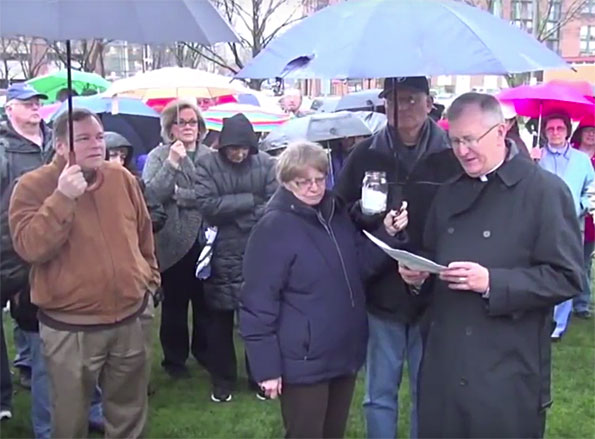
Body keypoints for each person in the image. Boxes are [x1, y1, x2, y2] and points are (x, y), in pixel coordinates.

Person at [399, 92, 583, 438]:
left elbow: (568, 277)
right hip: (445, 368)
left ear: (500, 132)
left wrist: (493, 283)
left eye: (470, 140)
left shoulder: (544, 192)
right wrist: (417, 277)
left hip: (505, 372)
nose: (462, 151)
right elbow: (432, 259)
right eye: (454, 141)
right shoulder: (448, 193)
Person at [240, 141, 409, 439]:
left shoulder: (335, 214)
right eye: (303, 182)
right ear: (285, 182)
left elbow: (360, 267)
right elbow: (257, 302)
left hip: (342, 351)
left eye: (319, 179)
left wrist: (388, 234)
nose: (314, 188)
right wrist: (266, 368)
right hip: (303, 359)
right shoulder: (273, 227)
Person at [9, 108, 160, 438]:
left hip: (131, 318)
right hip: (70, 327)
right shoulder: (33, 186)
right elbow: (30, 247)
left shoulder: (121, 178)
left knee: (129, 412)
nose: (97, 145)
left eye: (100, 136)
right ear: (61, 146)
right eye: (84, 139)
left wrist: (149, 279)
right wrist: (63, 197)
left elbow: (143, 232)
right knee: (69, 418)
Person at [334, 76, 460, 439]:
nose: (401, 108)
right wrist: (370, 213)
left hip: (434, 289)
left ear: (429, 102)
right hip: (382, 289)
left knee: (428, 390)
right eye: (392, 100)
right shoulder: (366, 153)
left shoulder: (449, 153)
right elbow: (342, 212)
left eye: (409, 99)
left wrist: (426, 264)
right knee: (379, 393)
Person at [194, 113, 277, 402]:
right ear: (223, 146)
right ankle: (223, 380)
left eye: (243, 148)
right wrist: (249, 202)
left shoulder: (267, 165)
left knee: (258, 319)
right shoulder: (206, 165)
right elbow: (206, 205)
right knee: (219, 320)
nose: (239, 154)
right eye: (233, 148)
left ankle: (261, 376)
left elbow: (273, 204)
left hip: (258, 250)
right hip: (221, 253)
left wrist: (239, 215)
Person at [142, 99, 211, 379]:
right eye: (181, 122)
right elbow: (153, 195)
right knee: (175, 306)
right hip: (174, 239)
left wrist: (182, 196)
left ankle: (205, 352)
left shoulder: (209, 156)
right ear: (170, 129)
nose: (188, 127)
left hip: (206, 239)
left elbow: (211, 195)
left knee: (206, 302)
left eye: (192, 122)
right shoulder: (158, 156)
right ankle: (174, 359)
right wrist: (172, 164)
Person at [0, 83, 53, 398]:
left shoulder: (54, 143)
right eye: (27, 102)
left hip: (48, 241)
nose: (35, 107)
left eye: (37, 102)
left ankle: (39, 380)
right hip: (9, 247)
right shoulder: (4, 150)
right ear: (10, 109)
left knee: (38, 319)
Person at [538, 112, 594, 339]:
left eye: (559, 128)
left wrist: (579, 206)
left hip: (572, 222)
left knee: (567, 270)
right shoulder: (536, 156)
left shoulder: (581, 160)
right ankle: (542, 315)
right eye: (550, 129)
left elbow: (591, 190)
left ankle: (559, 324)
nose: (555, 133)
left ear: (567, 131)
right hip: (540, 222)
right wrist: (527, 160)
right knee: (541, 268)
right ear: (544, 132)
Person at [571, 115, 595, 319]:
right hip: (568, 215)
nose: (591, 135)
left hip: (590, 219)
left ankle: (581, 303)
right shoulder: (570, 153)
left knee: (584, 261)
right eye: (588, 130)